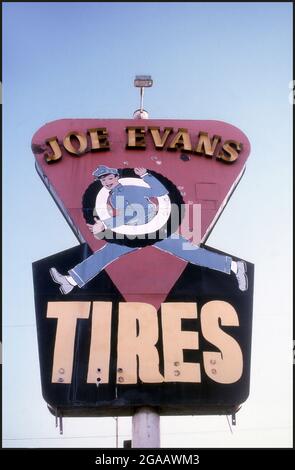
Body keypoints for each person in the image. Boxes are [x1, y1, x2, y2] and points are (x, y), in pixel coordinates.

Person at [50, 165, 248, 294]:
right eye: (102, 180)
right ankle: (71, 281)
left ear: (116, 176)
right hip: (137, 233)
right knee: (107, 253)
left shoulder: (129, 188)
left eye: (108, 177)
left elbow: (140, 210)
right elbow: (130, 216)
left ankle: (233, 267)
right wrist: (105, 227)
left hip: (155, 230)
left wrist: (107, 224)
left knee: (193, 254)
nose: (106, 181)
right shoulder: (112, 195)